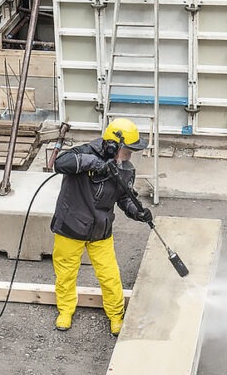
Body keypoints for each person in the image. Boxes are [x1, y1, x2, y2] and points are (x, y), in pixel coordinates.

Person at [50, 118, 153, 336]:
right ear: (114, 146)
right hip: (71, 226)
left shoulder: (125, 170)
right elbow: (60, 163)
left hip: (100, 230)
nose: (131, 155)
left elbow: (124, 198)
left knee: (109, 275)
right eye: (129, 150)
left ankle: (116, 316)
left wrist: (137, 211)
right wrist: (95, 164)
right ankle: (66, 311)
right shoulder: (84, 153)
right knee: (66, 273)